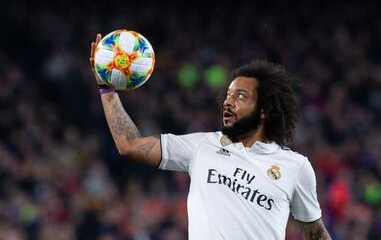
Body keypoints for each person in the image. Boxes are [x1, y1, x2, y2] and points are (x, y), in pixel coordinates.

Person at [90, 33, 331, 240]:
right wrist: (106, 90)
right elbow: (129, 145)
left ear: (264, 111)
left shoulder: (295, 167)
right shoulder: (202, 146)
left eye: (240, 96)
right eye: (228, 94)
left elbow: (315, 233)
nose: (228, 101)